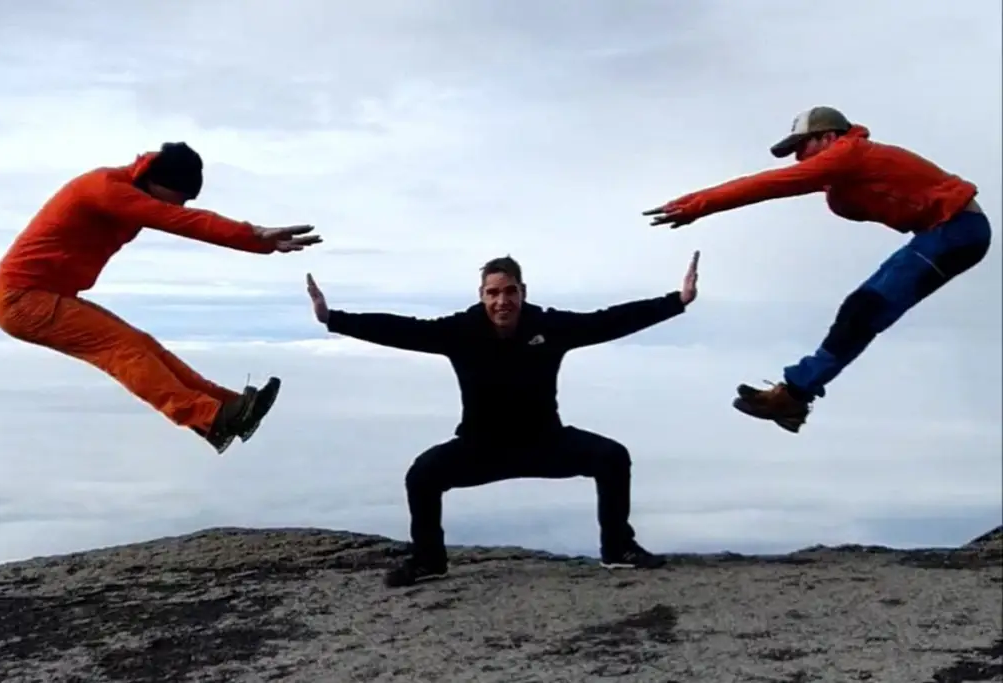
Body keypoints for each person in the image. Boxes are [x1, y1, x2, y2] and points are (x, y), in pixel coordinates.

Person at [305, 250, 700, 587]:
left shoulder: (547, 325)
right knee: (423, 474)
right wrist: (334, 319)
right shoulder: (462, 330)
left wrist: (675, 301)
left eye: (510, 291)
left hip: (545, 444)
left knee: (612, 457)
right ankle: (429, 560)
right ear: (482, 296)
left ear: (523, 293)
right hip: (482, 447)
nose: (502, 301)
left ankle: (618, 548)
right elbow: (403, 330)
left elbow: (605, 321)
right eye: (493, 293)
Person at [642, 106, 992, 434]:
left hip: (958, 231)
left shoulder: (851, 152)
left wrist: (694, 205)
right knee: (859, 310)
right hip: (942, 233)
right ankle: (795, 397)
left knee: (864, 311)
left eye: (802, 146)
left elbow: (771, 184)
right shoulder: (845, 171)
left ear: (828, 137)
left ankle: (793, 395)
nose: (798, 157)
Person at [0, 142, 322, 455]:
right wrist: (254, 236)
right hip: (22, 300)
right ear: (157, 181)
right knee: (124, 351)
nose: (178, 206)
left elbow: (180, 216)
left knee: (143, 346)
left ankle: (230, 407)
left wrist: (255, 238)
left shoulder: (130, 189)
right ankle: (212, 418)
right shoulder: (106, 188)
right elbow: (183, 222)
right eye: (177, 197)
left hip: (43, 297)